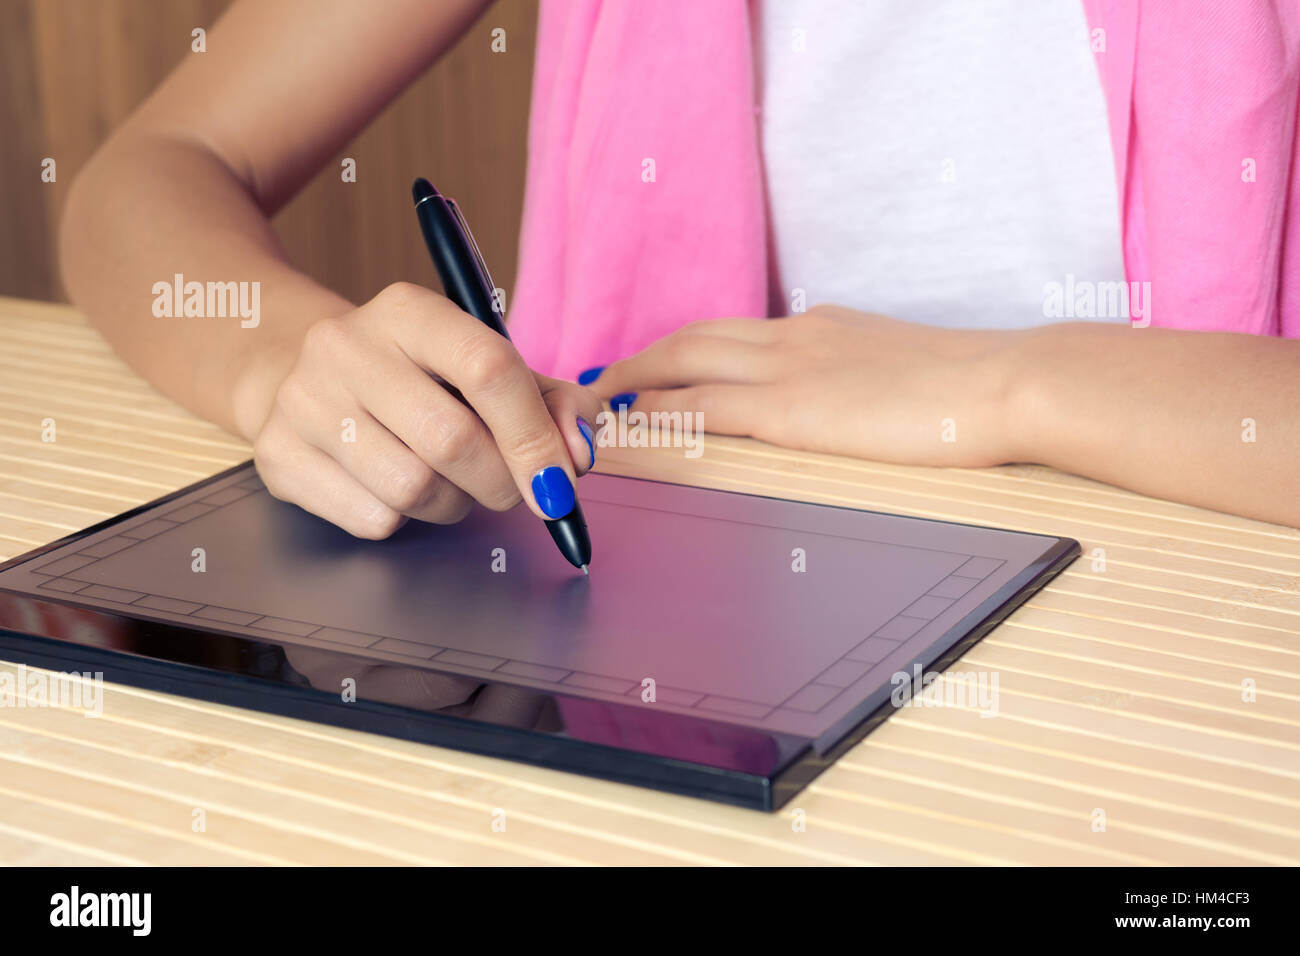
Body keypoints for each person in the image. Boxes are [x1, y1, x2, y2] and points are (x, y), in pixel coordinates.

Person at [60, 0, 1300, 536]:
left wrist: (1003, 384)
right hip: (736, 637)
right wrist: (281, 361)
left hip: (1189, 659)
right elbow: (151, 173)